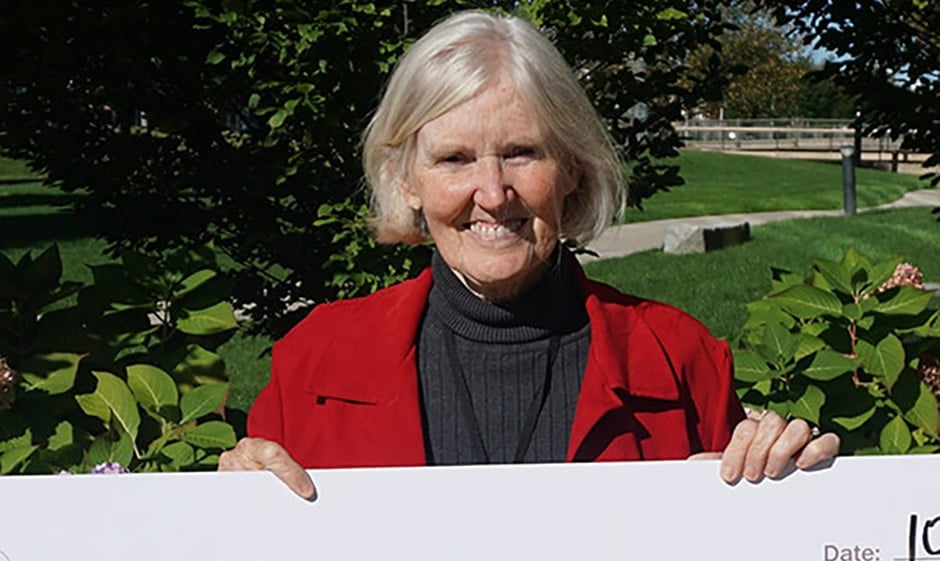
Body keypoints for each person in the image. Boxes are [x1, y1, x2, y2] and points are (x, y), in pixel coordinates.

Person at [219, 10, 838, 498]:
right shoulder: (315, 360)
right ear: (407, 180)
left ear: (572, 167)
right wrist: (229, 508)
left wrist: (775, 482)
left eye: (522, 153)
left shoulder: (680, 357)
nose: (492, 193)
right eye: (455, 159)